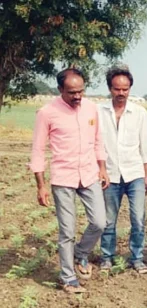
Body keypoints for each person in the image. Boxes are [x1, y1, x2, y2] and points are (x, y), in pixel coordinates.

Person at [29, 68, 108, 293]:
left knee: (100, 222)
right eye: (72, 92)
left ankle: (81, 253)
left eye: (81, 91)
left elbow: (98, 140)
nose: (77, 96)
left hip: (89, 173)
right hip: (63, 177)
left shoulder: (91, 108)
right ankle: (68, 277)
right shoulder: (46, 112)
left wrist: (102, 168)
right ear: (60, 89)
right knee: (67, 231)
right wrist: (41, 185)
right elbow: (37, 150)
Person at [98, 64, 147, 275]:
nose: (121, 93)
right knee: (108, 220)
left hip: (135, 174)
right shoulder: (99, 111)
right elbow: (95, 144)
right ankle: (106, 257)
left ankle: (137, 258)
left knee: (138, 218)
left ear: (130, 88)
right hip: (109, 174)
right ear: (110, 88)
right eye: (116, 89)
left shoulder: (139, 113)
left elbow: (145, 146)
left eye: (125, 89)